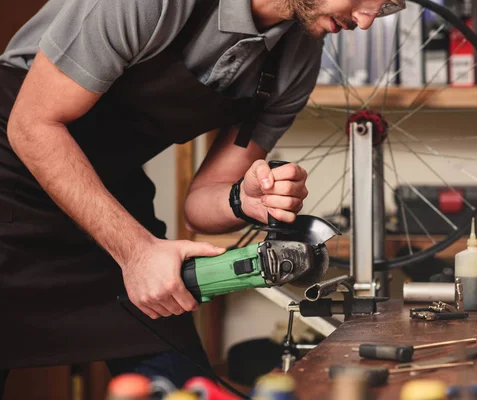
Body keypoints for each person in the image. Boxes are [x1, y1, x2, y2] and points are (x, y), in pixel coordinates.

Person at [0, 0, 406, 394]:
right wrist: (135, 251)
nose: (367, 21)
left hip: (109, 193)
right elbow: (31, 125)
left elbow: (200, 207)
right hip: (12, 168)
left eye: (386, 4)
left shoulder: (296, 61)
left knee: (189, 384)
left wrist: (242, 200)